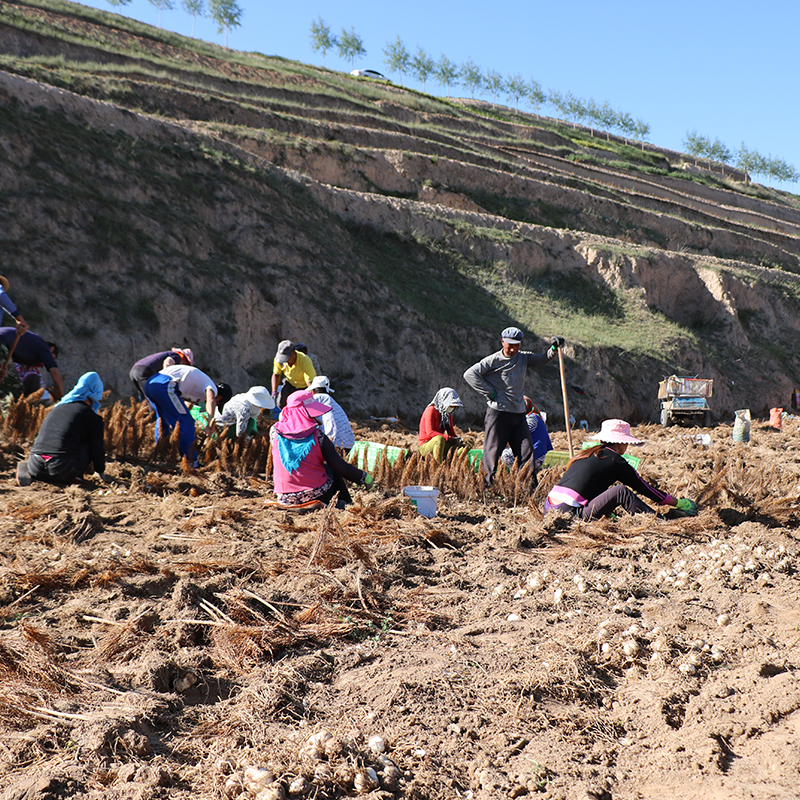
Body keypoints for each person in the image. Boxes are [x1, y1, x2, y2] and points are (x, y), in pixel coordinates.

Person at [463, 326, 562, 487]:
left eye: (517, 345)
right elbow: (470, 374)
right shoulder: (493, 360)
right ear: (502, 342)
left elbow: (543, 358)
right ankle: (486, 487)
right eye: (510, 345)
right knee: (492, 451)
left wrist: (553, 348)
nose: (513, 348)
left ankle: (530, 489)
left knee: (526, 451)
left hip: (518, 414)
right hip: (498, 414)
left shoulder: (523, 358)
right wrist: (491, 393)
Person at [544, 419, 698, 520]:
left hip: (549, 510)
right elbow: (645, 489)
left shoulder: (588, 453)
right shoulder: (615, 460)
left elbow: (586, 489)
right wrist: (678, 502)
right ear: (621, 442)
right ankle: (659, 522)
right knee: (621, 491)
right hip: (569, 514)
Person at [270, 390, 372, 509]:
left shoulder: (274, 433)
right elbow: (340, 467)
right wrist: (364, 477)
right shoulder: (318, 436)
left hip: (284, 496)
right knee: (332, 468)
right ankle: (344, 502)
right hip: (315, 494)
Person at [16, 372, 106, 486]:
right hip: (63, 469)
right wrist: (100, 472)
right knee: (88, 442)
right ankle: (75, 476)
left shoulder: (56, 409)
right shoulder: (92, 417)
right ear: (95, 394)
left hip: (35, 466)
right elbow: (97, 448)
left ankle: (27, 468)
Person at [143, 363, 226, 464]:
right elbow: (211, 399)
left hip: (151, 384)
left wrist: (181, 418)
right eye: (218, 404)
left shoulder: (198, 387)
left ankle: (160, 454)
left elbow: (187, 406)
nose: (216, 405)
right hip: (165, 384)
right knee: (187, 423)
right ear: (220, 398)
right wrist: (209, 423)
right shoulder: (212, 388)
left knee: (162, 420)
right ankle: (191, 461)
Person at [0, 327, 64, 401]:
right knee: (14, 386)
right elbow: (55, 371)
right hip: (2, 342)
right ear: (51, 349)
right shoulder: (44, 348)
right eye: (52, 357)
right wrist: (62, 397)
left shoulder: (30, 346)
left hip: (3, 342)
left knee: (4, 377)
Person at [500, 396, 553, 470]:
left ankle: (519, 473)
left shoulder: (532, 419)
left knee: (504, 454)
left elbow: (516, 435)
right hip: (536, 455)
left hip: (534, 457)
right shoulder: (536, 417)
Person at [418, 388, 464, 462]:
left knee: (467, 443)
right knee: (439, 438)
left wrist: (459, 441)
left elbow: (451, 433)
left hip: (440, 444)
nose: (452, 408)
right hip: (426, 445)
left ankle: (454, 462)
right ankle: (437, 466)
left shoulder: (447, 415)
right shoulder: (430, 410)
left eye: (453, 406)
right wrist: (448, 438)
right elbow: (430, 432)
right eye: (451, 405)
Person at [309, 375, 355, 451]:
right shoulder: (331, 401)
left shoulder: (315, 400)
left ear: (313, 391)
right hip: (348, 445)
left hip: (333, 446)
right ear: (327, 390)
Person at [271, 340, 316, 409]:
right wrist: (274, 392)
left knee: (304, 407)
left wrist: (313, 398)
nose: (284, 361)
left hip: (304, 387)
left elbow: (310, 383)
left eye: (286, 358)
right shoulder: (279, 360)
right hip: (290, 383)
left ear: (293, 353)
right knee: (281, 403)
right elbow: (276, 374)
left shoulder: (304, 360)